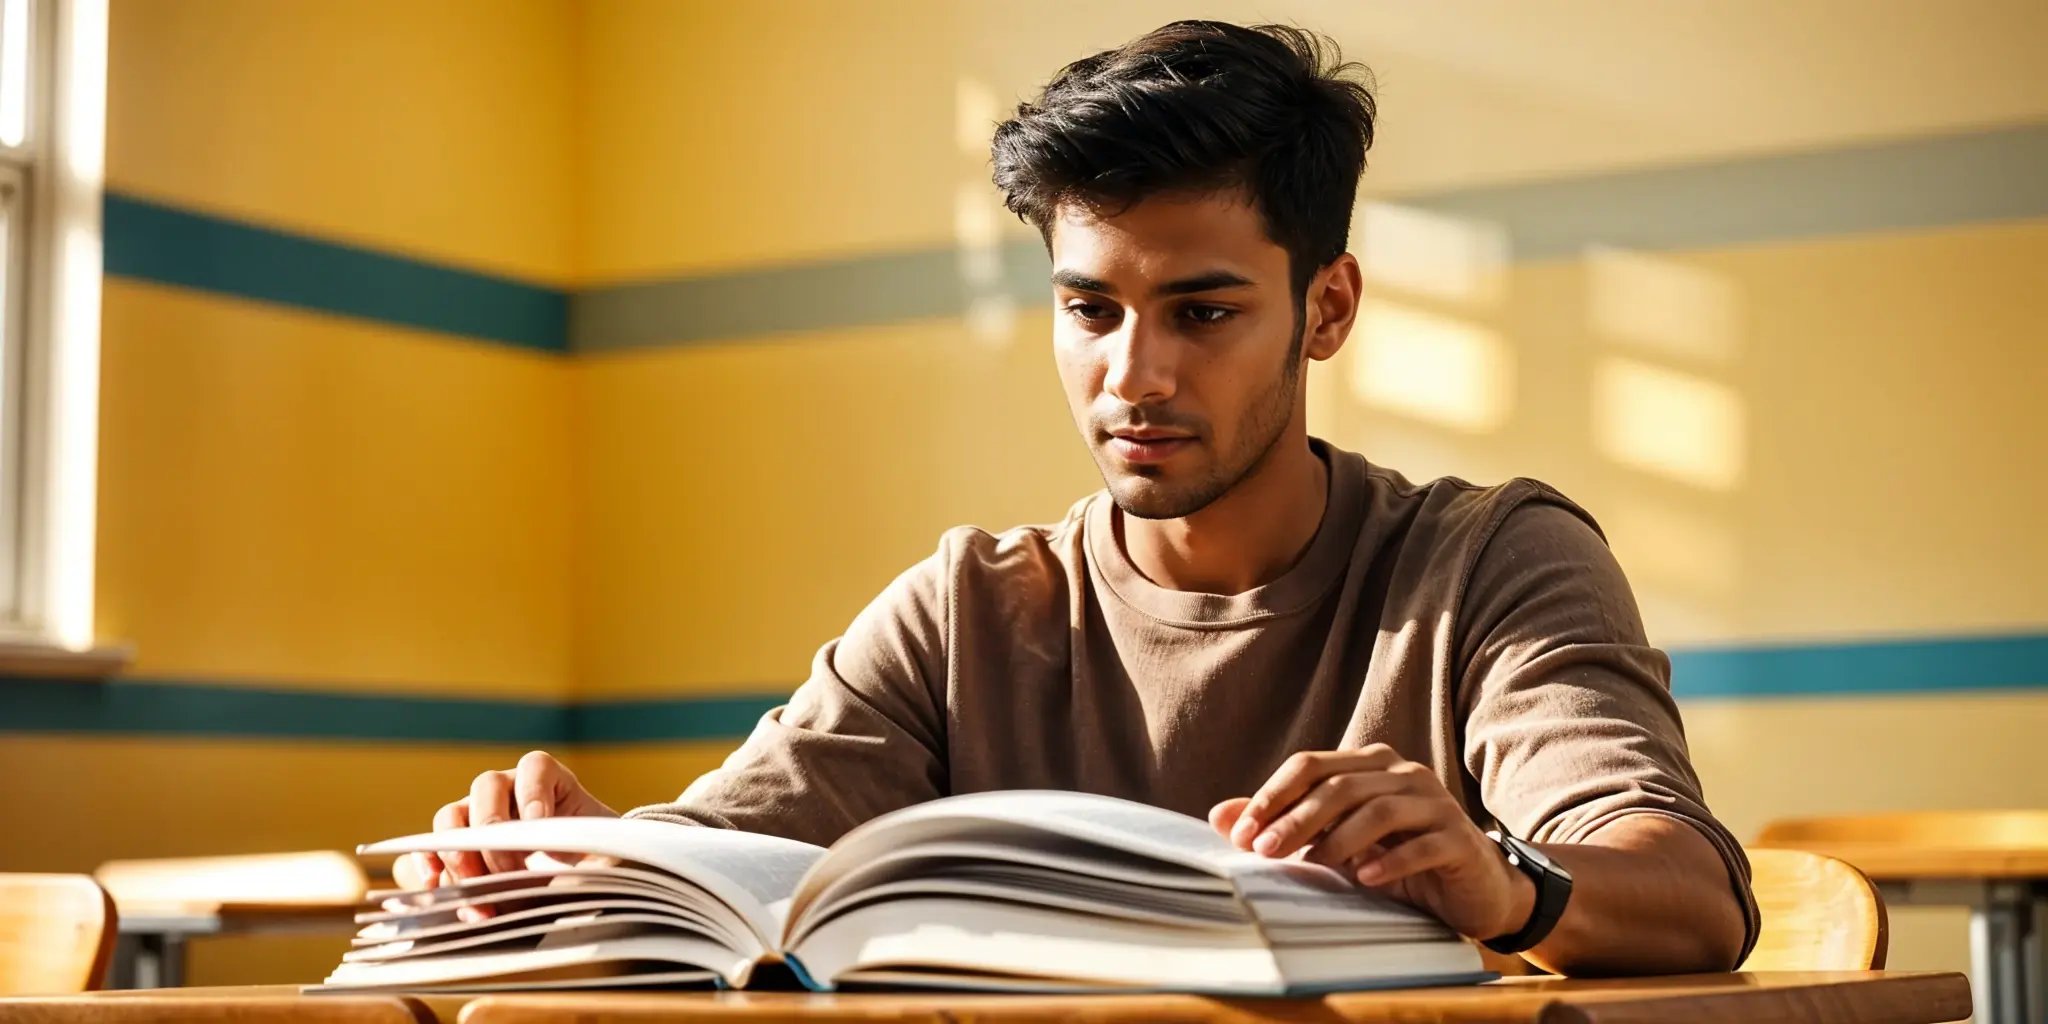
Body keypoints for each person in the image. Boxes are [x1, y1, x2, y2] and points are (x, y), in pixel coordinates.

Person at [405, 20, 1755, 975]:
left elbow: (1688, 891)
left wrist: (1506, 882)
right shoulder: (966, 611)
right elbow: (723, 853)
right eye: (1089, 308)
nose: (1135, 373)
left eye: (1202, 310)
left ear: (1325, 308)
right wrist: (567, 864)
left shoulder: (1489, 565)